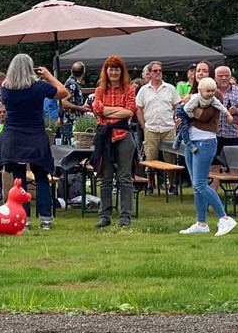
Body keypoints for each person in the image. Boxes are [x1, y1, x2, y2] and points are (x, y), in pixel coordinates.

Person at [0, 53, 67, 231]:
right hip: (35, 135)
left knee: (19, 179)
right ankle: (45, 220)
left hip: (13, 136)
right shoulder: (39, 87)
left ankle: (24, 219)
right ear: (31, 68)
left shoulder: (5, 88)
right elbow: (63, 92)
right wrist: (49, 76)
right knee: (41, 177)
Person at [180, 77, 237, 236]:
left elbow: (203, 116)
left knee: (200, 184)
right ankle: (201, 223)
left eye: (204, 70)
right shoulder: (195, 95)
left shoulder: (214, 95)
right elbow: (185, 113)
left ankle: (224, 218)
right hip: (190, 141)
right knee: (196, 185)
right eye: (197, 71)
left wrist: (186, 110)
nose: (199, 73)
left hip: (205, 141)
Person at [92, 55, 137, 228]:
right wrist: (119, 110)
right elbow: (97, 110)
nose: (114, 72)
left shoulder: (129, 89)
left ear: (121, 71)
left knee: (125, 177)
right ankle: (105, 216)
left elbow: (130, 111)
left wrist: (106, 111)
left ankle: (125, 217)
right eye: (111, 69)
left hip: (123, 135)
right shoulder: (99, 90)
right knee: (105, 177)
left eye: (117, 69)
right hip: (105, 137)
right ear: (106, 71)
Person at [134, 60, 180, 172]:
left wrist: (175, 121)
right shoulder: (143, 90)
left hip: (168, 128)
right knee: (150, 159)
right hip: (151, 128)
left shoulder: (170, 88)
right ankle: (150, 181)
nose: (158, 73)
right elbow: (138, 109)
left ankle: (171, 181)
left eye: (160, 70)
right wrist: (143, 126)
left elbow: (177, 106)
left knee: (170, 160)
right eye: (155, 71)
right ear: (149, 73)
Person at [214, 66, 238, 159]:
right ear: (215, 77)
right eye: (220, 76)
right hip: (214, 135)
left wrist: (237, 111)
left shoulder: (237, 91)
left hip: (232, 134)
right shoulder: (211, 90)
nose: (224, 78)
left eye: (226, 76)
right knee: (214, 164)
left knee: (234, 163)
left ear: (230, 77)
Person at [60, 62, 89, 144]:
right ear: (83, 72)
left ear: (71, 71)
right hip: (70, 122)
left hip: (73, 122)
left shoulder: (73, 83)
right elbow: (63, 102)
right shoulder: (71, 83)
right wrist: (80, 108)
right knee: (71, 147)